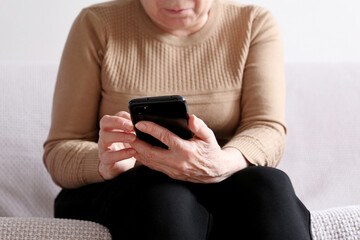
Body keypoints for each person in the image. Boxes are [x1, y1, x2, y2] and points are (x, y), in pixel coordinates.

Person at [43, 0, 313, 239]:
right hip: (129, 186)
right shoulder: (96, 23)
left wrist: (219, 164)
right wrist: (104, 162)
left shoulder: (253, 23)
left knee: (269, 185)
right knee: (163, 193)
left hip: (221, 180)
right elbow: (60, 150)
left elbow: (266, 128)